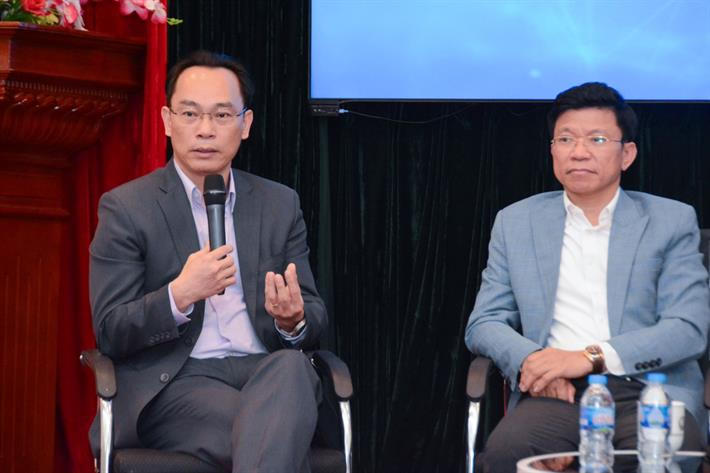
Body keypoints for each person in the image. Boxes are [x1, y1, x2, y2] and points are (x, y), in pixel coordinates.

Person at [89, 50, 327, 473]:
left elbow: (313, 313)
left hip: (267, 375)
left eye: (221, 115)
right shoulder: (127, 208)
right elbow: (111, 330)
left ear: (245, 125)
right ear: (167, 121)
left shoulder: (279, 204)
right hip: (177, 383)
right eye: (190, 114)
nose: (205, 130)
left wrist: (292, 321)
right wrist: (178, 296)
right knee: (274, 434)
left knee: (292, 370)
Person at [465, 82, 710, 472]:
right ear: (552, 150)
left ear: (626, 154)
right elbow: (484, 322)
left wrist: (587, 358)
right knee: (507, 456)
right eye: (565, 139)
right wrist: (535, 362)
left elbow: (688, 328)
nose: (578, 152)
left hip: (649, 389)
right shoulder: (517, 222)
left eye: (597, 139)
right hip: (556, 396)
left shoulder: (670, 221)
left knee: (655, 459)